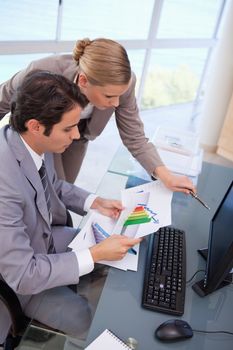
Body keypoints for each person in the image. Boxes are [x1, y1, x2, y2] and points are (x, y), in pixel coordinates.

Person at [0, 70, 141, 344]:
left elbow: (53, 185)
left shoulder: (27, 142)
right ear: (36, 125)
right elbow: (22, 274)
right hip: (22, 280)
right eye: (68, 128)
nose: (76, 135)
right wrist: (95, 252)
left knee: (114, 261)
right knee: (92, 322)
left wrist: (94, 201)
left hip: (45, 242)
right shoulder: (3, 185)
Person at [0, 37, 195, 194]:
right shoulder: (42, 71)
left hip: (81, 135)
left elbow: (134, 134)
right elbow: (3, 98)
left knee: (66, 188)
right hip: (46, 133)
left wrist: (165, 175)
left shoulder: (123, 84)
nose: (116, 103)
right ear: (83, 80)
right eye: (109, 96)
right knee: (51, 189)